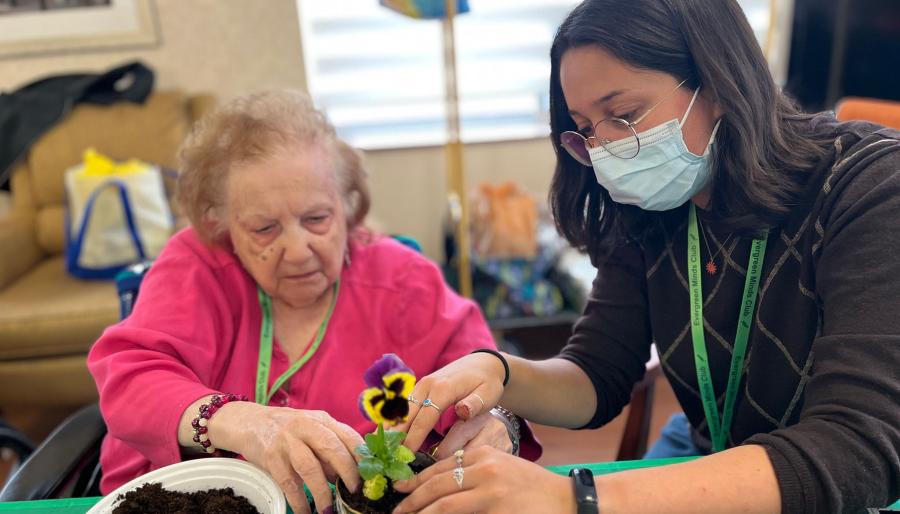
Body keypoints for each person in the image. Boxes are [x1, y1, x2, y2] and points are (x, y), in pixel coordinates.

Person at [392, 1, 900, 513]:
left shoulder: (870, 189)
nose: (605, 150)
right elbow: (597, 373)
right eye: (586, 129)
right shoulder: (651, 209)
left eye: (625, 116)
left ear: (719, 83)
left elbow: (857, 448)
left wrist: (577, 497)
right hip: (713, 457)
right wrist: (500, 371)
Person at [87, 90, 539, 514]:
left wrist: (499, 424)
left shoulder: (405, 281)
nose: (299, 249)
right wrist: (242, 421)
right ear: (220, 223)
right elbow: (129, 380)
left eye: (317, 219)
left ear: (348, 205)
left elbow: (487, 380)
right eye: (264, 229)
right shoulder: (197, 266)